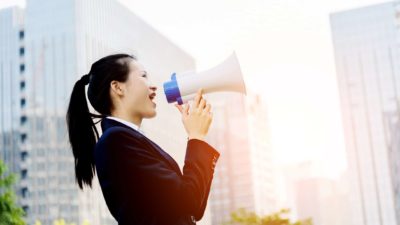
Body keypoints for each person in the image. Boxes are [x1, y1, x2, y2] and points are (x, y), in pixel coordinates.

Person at [66, 53, 220, 225]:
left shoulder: (122, 140)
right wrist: (196, 137)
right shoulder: (116, 141)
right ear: (118, 88)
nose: (153, 87)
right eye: (143, 76)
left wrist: (197, 137)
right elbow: (189, 200)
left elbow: (193, 207)